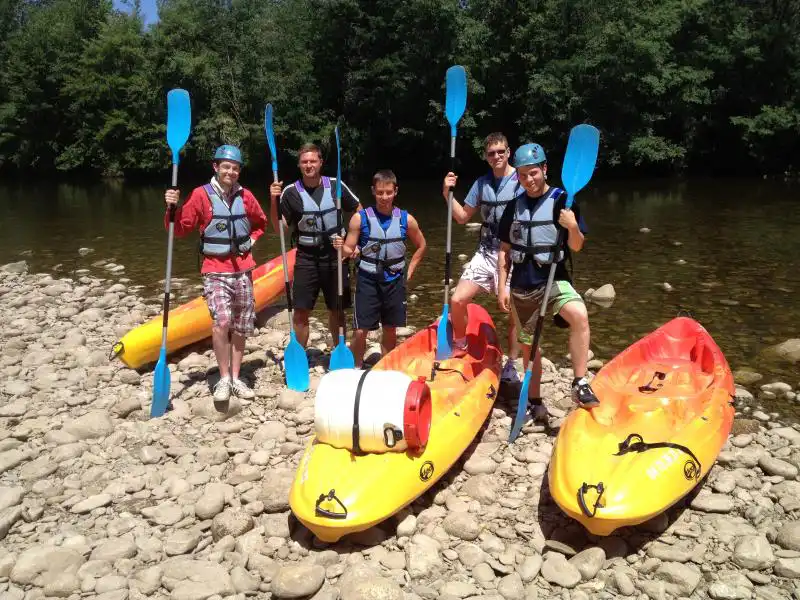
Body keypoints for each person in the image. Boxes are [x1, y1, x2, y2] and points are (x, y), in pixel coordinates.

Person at [497, 142, 599, 421]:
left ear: (544, 169)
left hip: (554, 279)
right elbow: (504, 250)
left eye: (533, 173)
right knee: (531, 348)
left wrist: (573, 226)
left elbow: (576, 246)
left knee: (579, 314)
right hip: (522, 285)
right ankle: (535, 402)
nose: (529, 180)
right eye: (522, 174)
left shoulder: (562, 202)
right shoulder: (513, 208)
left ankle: (580, 381)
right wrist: (501, 286)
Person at [164, 144, 267, 402]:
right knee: (221, 322)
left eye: (235, 168)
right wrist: (171, 208)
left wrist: (251, 242)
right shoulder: (201, 195)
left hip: (243, 269)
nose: (230, 172)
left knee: (241, 326)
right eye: (226, 167)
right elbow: (179, 229)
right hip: (214, 270)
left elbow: (261, 222)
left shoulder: (246, 196)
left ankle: (235, 377)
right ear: (216, 167)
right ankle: (223, 378)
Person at [441, 132, 522, 382]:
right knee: (457, 299)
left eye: (501, 151)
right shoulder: (482, 184)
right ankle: (460, 345)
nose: (496, 156)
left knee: (515, 314)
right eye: (491, 153)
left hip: (514, 255)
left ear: (509, 152)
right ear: (486, 157)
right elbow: (462, 217)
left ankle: (512, 363)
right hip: (486, 252)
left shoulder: (522, 180)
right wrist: (447, 193)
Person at [269, 143, 363, 350]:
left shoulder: (335, 185)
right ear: (299, 165)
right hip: (306, 257)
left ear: (320, 163)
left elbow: (359, 211)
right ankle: (300, 354)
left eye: (313, 161)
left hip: (335, 255)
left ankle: (339, 349)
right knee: (301, 311)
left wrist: (352, 243)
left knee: (337, 309)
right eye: (304, 162)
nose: (309, 165)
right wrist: (273, 201)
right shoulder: (290, 192)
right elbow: (279, 229)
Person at [338, 170, 427, 367]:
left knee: (389, 328)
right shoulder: (360, 219)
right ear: (373, 191)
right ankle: (356, 368)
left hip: (394, 280)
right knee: (361, 330)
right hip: (368, 279)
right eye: (380, 192)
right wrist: (340, 247)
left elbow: (421, 245)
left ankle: (386, 367)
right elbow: (347, 250)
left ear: (395, 191)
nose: (384, 197)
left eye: (388, 192)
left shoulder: (407, 219)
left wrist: (411, 268)